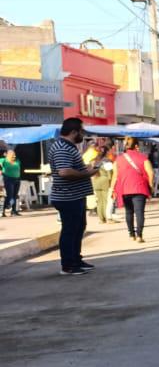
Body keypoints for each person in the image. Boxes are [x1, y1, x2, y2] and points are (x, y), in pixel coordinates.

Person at [48, 117, 99, 275]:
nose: (83, 135)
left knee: (77, 228)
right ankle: (68, 265)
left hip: (74, 195)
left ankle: (76, 259)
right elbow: (64, 172)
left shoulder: (68, 146)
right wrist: (87, 173)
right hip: (67, 197)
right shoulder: (62, 147)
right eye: (81, 132)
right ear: (73, 132)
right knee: (70, 230)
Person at [112, 136, 154, 243]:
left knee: (129, 212)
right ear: (136, 146)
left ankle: (131, 235)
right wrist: (151, 186)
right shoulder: (143, 158)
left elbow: (115, 176)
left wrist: (112, 189)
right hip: (140, 188)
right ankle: (139, 236)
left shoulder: (119, 159)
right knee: (139, 212)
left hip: (125, 189)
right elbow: (151, 173)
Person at [85, 138, 117, 224]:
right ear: (106, 152)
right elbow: (110, 173)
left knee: (99, 201)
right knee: (106, 200)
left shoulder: (94, 161)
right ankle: (107, 218)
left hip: (96, 181)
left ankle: (101, 219)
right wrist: (111, 183)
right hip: (105, 181)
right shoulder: (106, 161)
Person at [1, 146, 21, 216]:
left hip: (17, 179)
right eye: (12, 154)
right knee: (10, 196)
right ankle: (4, 209)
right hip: (8, 179)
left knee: (14, 196)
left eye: (14, 154)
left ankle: (14, 211)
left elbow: (18, 169)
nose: (14, 156)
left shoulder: (17, 161)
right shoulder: (4, 160)